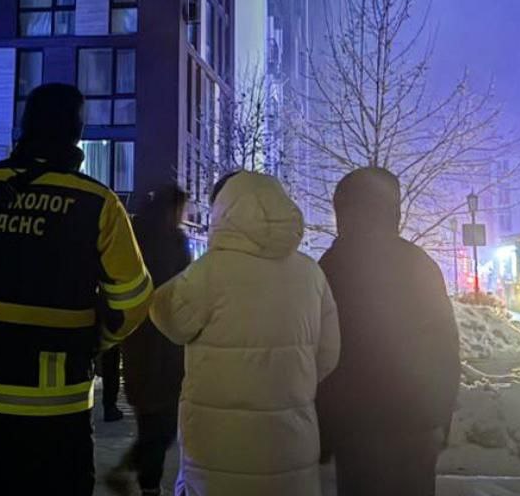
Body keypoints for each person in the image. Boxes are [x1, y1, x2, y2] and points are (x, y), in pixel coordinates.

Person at [0, 83, 153, 496]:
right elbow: (132, 301)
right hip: (55, 408)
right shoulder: (99, 203)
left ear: (24, 126)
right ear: (77, 133)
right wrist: (92, 341)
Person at [151, 170, 340, 496]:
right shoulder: (311, 273)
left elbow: (168, 318)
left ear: (223, 212)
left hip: (218, 446)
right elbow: (328, 355)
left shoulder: (209, 271)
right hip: (290, 443)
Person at [316, 167, 460, 496]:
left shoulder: (331, 265)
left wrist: (324, 431)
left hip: (355, 429)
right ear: (392, 211)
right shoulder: (419, 263)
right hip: (415, 425)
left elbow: (322, 356)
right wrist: (440, 418)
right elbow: (445, 347)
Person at [107, 184, 191, 496]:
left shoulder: (135, 235)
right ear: (173, 209)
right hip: (166, 345)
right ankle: (141, 480)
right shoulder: (174, 241)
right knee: (164, 425)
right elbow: (184, 288)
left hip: (138, 342)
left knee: (151, 421)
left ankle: (143, 482)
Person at [100, 345, 125, 421]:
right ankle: (110, 407)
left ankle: (110, 406)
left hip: (107, 345)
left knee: (110, 373)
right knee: (112, 373)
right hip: (110, 345)